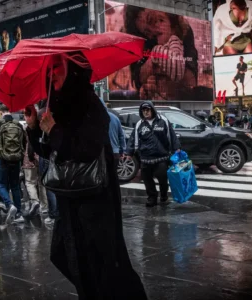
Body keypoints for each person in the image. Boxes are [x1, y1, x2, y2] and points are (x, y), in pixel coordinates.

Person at [25, 55, 147, 299]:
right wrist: (33, 127)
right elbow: (47, 152)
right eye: (50, 69)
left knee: (103, 265)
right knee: (66, 255)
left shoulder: (91, 105)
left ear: (74, 70)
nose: (52, 73)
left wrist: (54, 130)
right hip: (71, 199)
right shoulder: (57, 106)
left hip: (95, 201)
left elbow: (86, 150)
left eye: (57, 66)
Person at [126, 101, 181, 207]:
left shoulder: (163, 121)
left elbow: (172, 135)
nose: (146, 112)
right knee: (147, 180)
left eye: (148, 110)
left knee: (162, 179)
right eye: (144, 110)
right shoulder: (139, 124)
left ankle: (164, 197)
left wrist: (176, 148)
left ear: (152, 110)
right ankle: (152, 198)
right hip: (145, 158)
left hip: (161, 157)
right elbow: (133, 139)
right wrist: (129, 152)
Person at [0, 105, 25, 224]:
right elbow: (23, 142)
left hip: (2, 159)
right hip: (16, 160)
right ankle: (19, 214)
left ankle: (9, 205)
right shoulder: (17, 124)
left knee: (0, 184)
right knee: (15, 186)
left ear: (0, 112)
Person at [99, 98, 126, 171]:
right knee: (113, 175)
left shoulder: (94, 119)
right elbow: (121, 135)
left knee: (101, 177)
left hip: (101, 153)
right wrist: (122, 150)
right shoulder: (115, 118)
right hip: (114, 152)